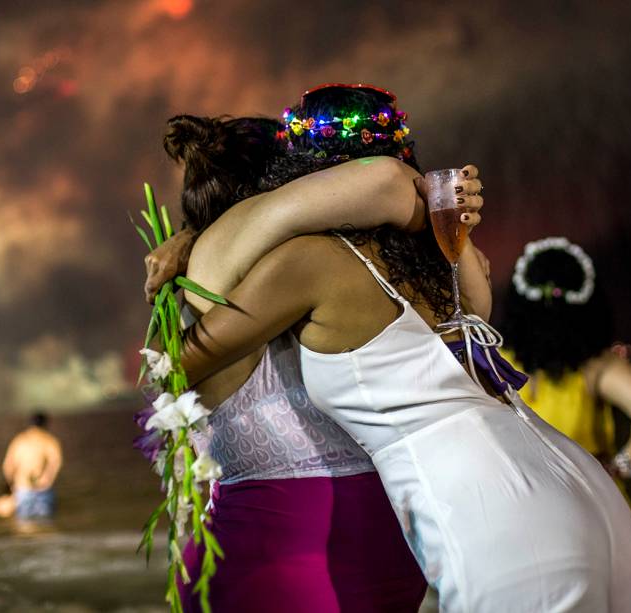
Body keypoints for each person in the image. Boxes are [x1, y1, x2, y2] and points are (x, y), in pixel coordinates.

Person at [178, 84, 631, 612]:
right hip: (581, 487)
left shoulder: (311, 261)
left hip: (493, 507)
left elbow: (179, 356)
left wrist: (189, 254)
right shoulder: (433, 260)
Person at [147, 86, 488, 612]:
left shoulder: (269, 270)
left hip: (342, 553)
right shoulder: (262, 263)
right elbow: (387, 183)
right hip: (296, 558)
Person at [501, 237, 631, 492]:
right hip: (590, 499)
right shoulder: (597, 365)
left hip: (524, 497)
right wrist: (622, 469)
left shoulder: (497, 360)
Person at [0, 412, 62, 521]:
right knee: (45, 525)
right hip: (42, 489)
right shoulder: (48, 440)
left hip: (22, 488)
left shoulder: (19, 440)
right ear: (45, 424)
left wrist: (11, 485)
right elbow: (56, 461)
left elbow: (7, 466)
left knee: (23, 525)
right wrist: (47, 478)